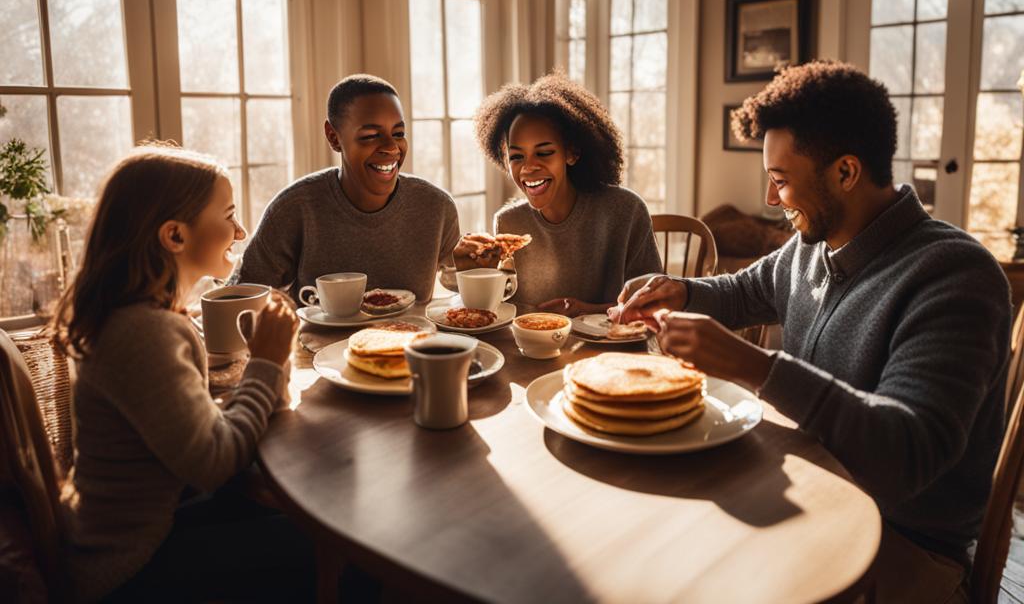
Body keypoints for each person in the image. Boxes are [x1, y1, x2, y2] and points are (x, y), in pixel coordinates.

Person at [613, 60, 1010, 603]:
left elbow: (906, 456)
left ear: (846, 173)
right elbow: (741, 292)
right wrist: (679, 290)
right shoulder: (812, 246)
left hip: (905, 543)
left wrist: (755, 367)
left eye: (780, 180)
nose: (771, 200)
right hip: (812, 492)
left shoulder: (955, 276)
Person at [51, 144, 309, 602]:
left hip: (161, 521)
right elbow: (214, 462)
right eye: (228, 215)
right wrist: (267, 363)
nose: (241, 229)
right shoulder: (142, 333)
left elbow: (203, 433)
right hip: (130, 569)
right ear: (174, 236)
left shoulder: (145, 318)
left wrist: (273, 364)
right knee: (330, 544)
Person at [237, 74, 460, 302]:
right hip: (319, 340)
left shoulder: (437, 208)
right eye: (371, 136)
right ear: (334, 137)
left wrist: (484, 267)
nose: (391, 147)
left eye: (398, 134)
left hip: (414, 337)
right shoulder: (293, 208)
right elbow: (240, 299)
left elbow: (463, 287)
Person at [455, 73, 662, 316]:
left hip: (613, 347)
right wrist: (471, 273)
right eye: (517, 156)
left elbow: (655, 302)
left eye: (544, 153)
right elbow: (501, 311)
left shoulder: (625, 210)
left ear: (571, 153)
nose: (528, 167)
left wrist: (586, 311)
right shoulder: (509, 222)